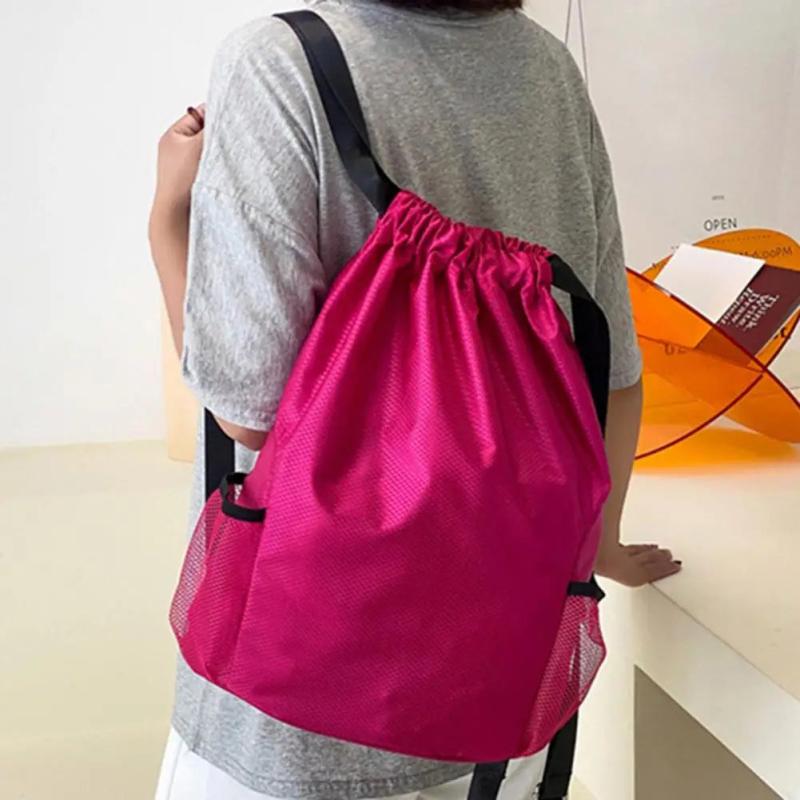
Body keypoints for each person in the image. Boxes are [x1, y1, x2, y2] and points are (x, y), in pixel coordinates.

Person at [149, 1, 682, 798]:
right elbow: (612, 367)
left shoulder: (277, 61)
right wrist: (600, 545)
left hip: (301, 696)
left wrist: (167, 222)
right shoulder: (546, 67)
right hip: (502, 679)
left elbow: (250, 413)